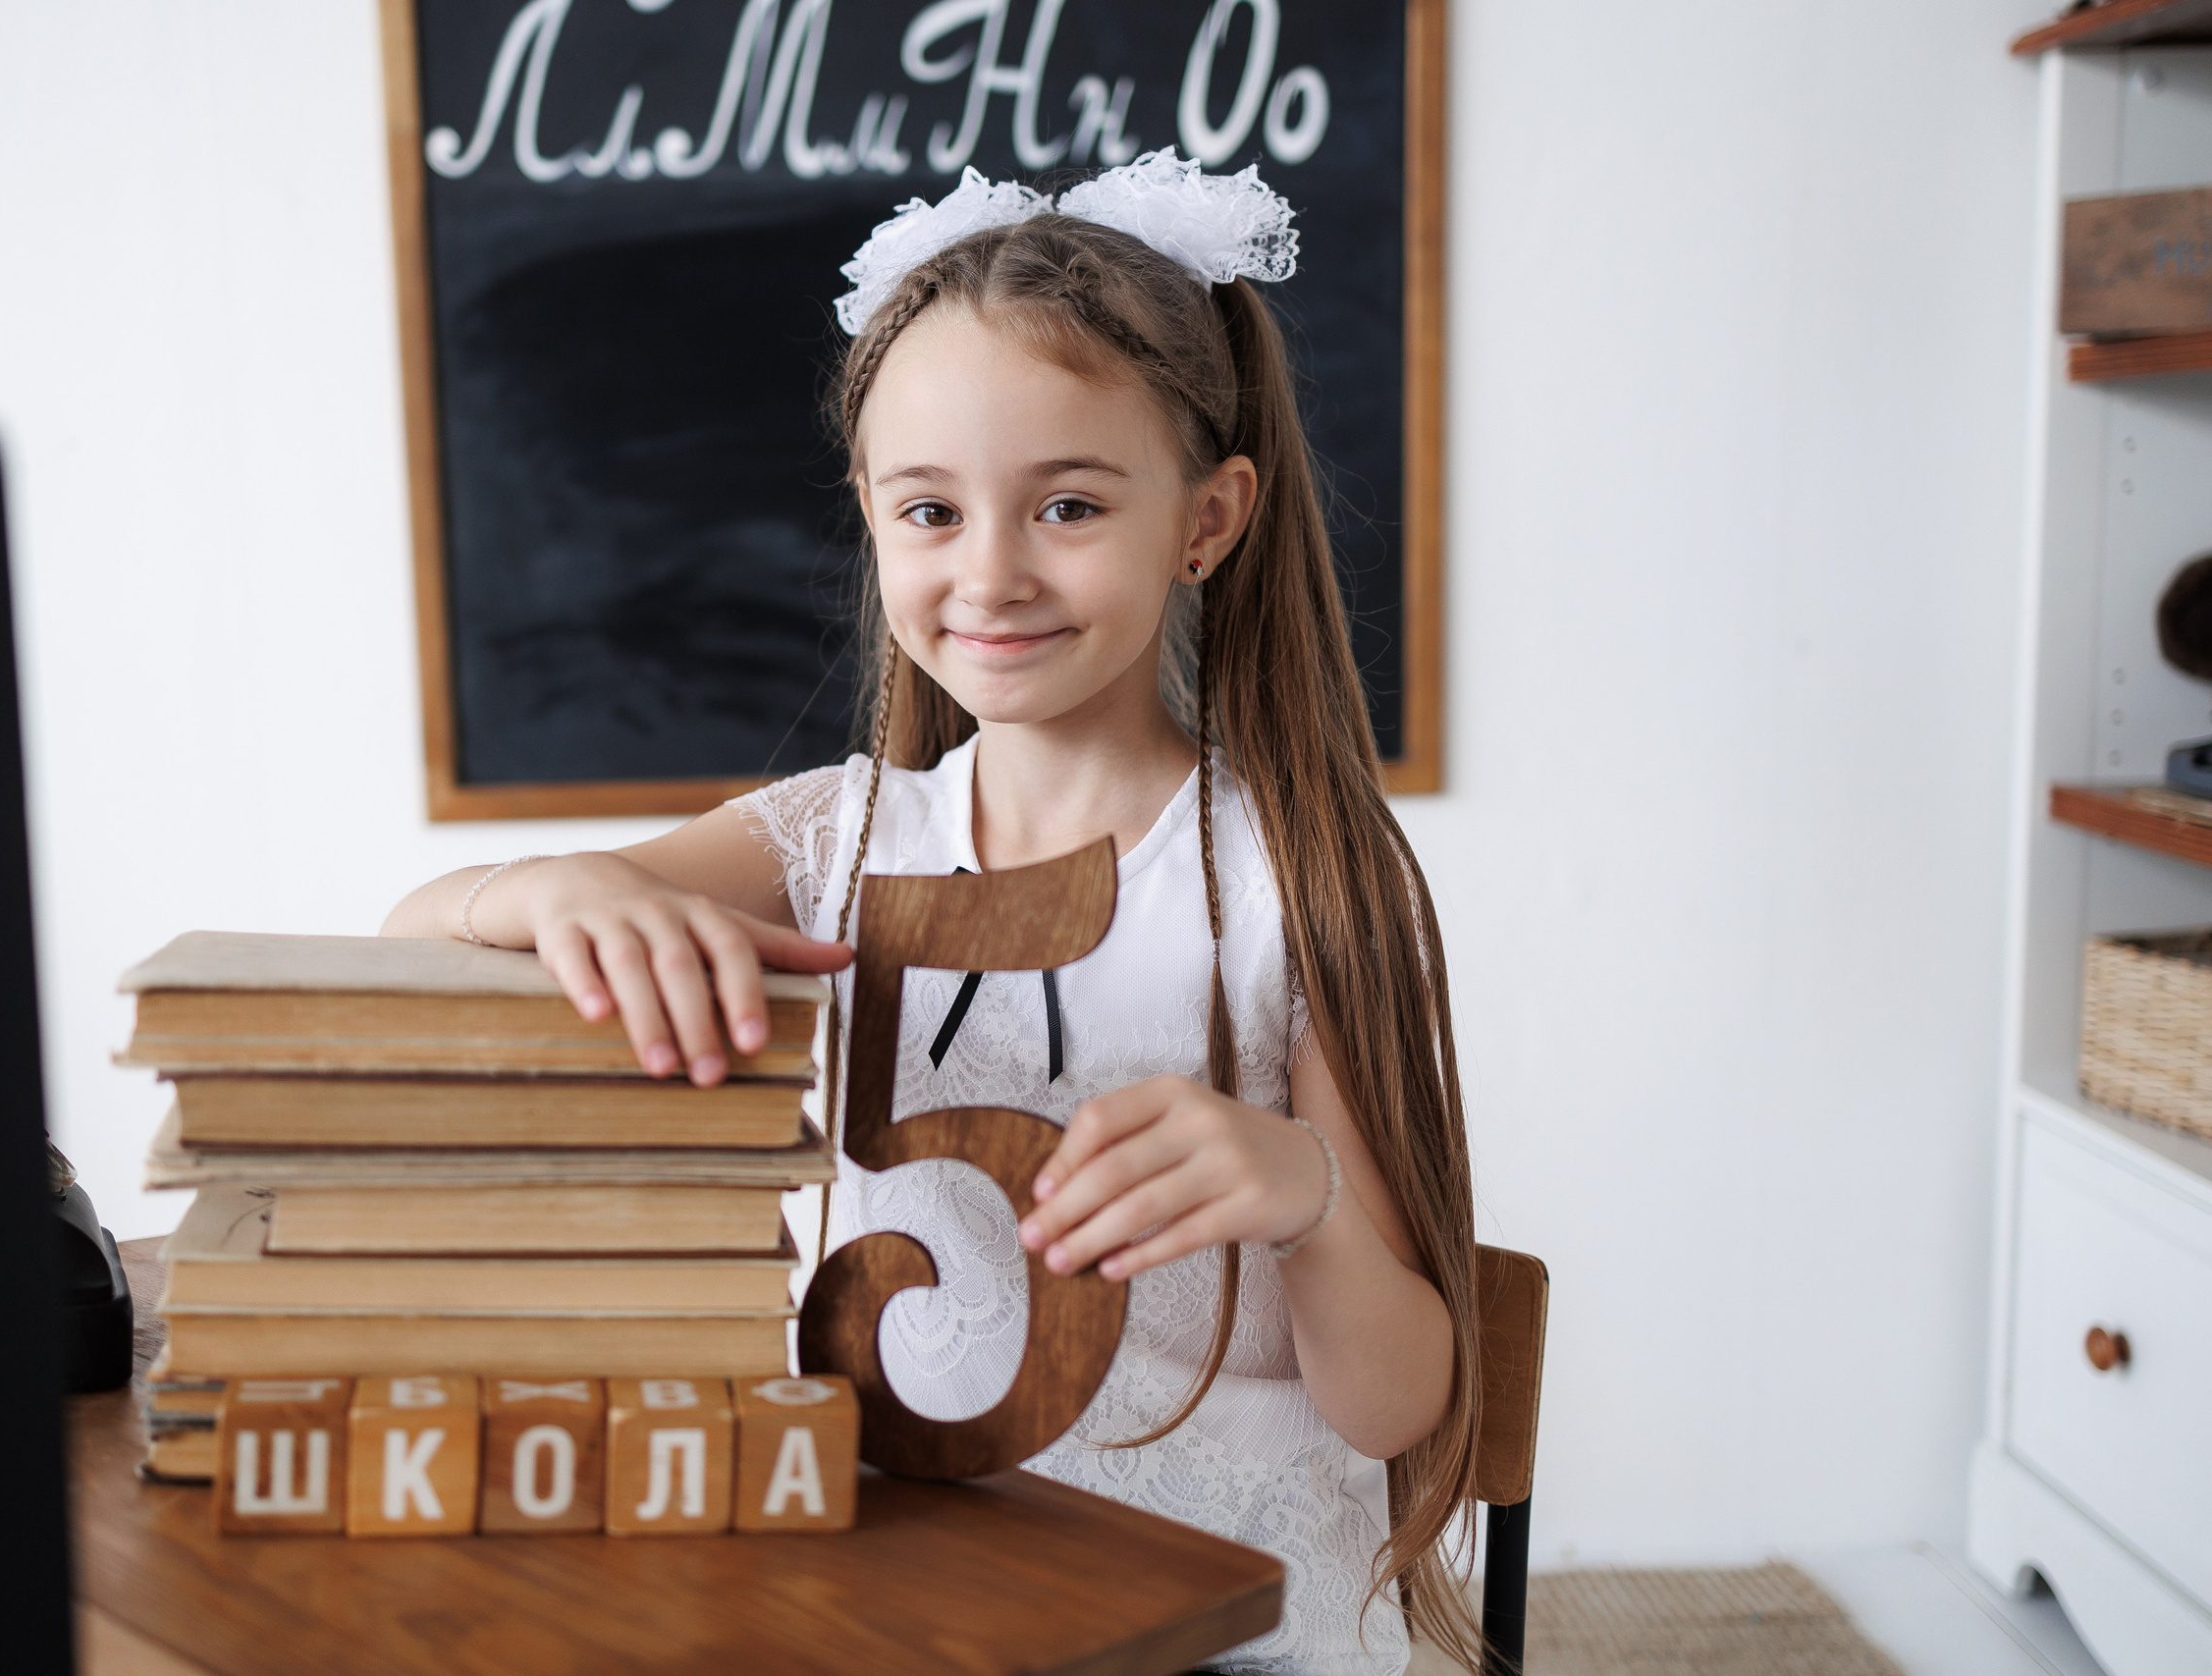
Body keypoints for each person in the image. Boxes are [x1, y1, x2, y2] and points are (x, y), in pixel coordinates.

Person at [383, 150, 1482, 1675]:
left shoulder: (1302, 877)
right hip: (876, 1602)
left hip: (1223, 1627)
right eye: (931, 512)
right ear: (872, 518)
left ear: (1208, 520)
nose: (994, 574)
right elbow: (407, 943)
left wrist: (1302, 1194)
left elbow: (1400, 1401)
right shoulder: (829, 840)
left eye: (1072, 504)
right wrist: (547, 886)